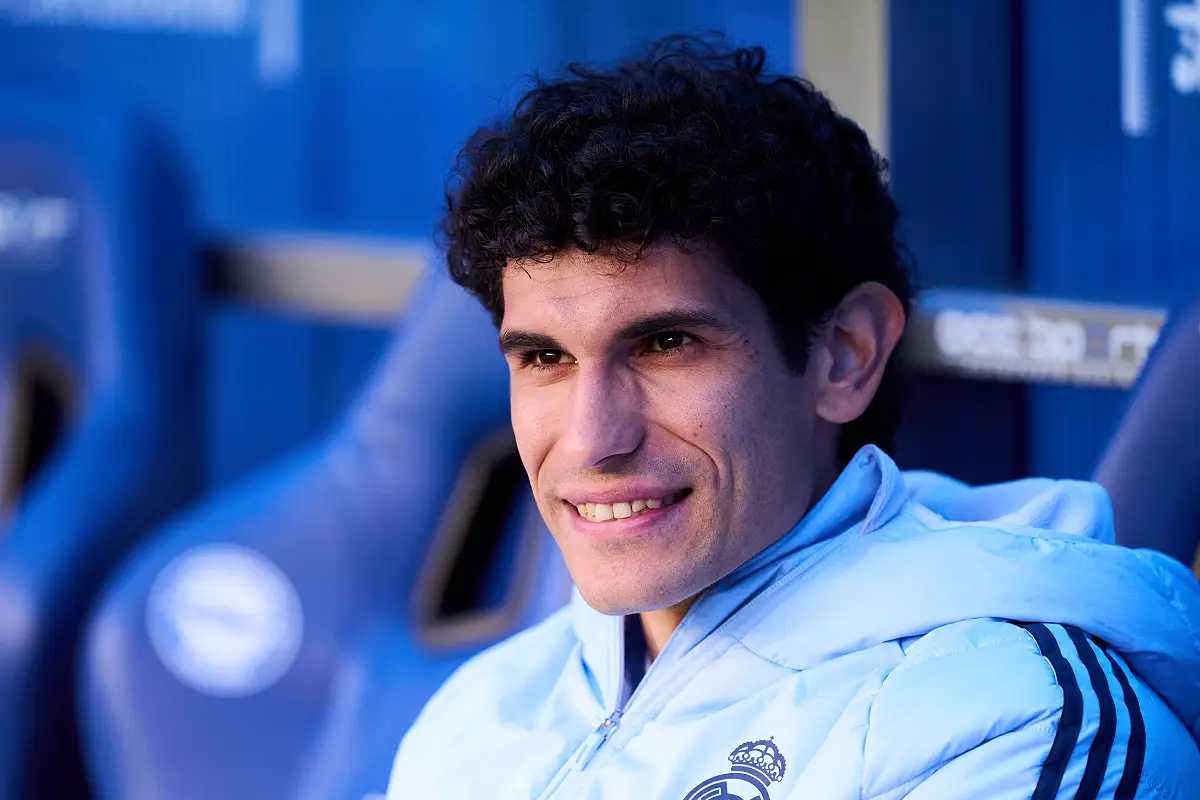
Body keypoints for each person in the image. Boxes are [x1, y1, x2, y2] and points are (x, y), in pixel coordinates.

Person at [387, 35, 1200, 798]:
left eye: (667, 343)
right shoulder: (482, 712)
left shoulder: (1017, 722)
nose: (594, 439)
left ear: (844, 354)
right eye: (544, 359)